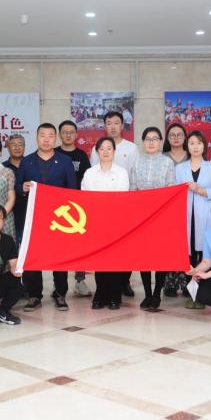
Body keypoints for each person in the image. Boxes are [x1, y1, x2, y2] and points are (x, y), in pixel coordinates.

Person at [17, 123, 77, 311]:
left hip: (59, 219)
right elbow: (17, 187)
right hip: (33, 219)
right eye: (42, 135)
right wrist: (22, 188)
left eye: (50, 136)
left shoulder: (65, 161)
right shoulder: (26, 162)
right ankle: (34, 295)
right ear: (36, 138)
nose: (46, 139)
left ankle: (60, 294)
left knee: (59, 257)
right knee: (33, 257)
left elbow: (73, 190)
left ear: (55, 138)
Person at [89, 111, 139, 297]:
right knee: (103, 252)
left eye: (116, 123)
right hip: (99, 211)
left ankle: (124, 282)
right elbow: (93, 177)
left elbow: (134, 175)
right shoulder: (97, 149)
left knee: (124, 248)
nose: (112, 126)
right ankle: (103, 290)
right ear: (104, 126)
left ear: (122, 125)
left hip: (124, 205)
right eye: (109, 123)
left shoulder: (131, 148)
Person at [175, 130, 211, 309]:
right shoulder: (180, 168)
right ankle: (191, 293)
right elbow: (175, 192)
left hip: (205, 217)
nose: (195, 147)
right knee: (189, 254)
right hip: (186, 217)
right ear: (187, 146)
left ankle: (203, 295)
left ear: (204, 146)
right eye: (192, 143)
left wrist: (200, 190)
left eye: (199, 143)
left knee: (205, 255)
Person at [82, 136, 130, 310]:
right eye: (102, 148)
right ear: (97, 152)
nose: (106, 152)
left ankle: (115, 296)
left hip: (116, 222)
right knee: (100, 260)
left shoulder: (121, 173)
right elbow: (85, 196)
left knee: (114, 260)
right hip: (96, 222)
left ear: (114, 151)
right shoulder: (89, 173)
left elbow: (122, 197)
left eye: (109, 148)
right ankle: (100, 295)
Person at [130, 127, 175, 309]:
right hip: (141, 217)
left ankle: (157, 294)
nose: (151, 142)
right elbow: (133, 189)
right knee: (144, 256)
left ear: (160, 142)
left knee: (159, 256)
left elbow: (171, 187)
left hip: (161, 216)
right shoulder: (137, 163)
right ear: (143, 142)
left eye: (155, 139)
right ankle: (147, 294)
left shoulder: (167, 162)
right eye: (147, 139)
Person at [55, 120, 93, 298]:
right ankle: (59, 284)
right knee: (59, 247)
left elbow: (87, 179)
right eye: (65, 132)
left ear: (76, 135)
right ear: (59, 135)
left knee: (80, 246)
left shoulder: (82, 155)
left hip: (79, 207)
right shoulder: (54, 154)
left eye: (71, 132)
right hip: (57, 207)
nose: (68, 135)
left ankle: (80, 281)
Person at [162, 123, 189, 296]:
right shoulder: (162, 157)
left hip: (189, 205)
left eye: (180, 134)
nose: (176, 137)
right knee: (169, 244)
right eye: (172, 135)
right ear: (167, 138)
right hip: (167, 208)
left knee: (187, 245)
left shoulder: (192, 154)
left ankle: (186, 281)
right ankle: (170, 282)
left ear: (185, 137)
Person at [3, 134, 27, 240]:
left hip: (28, 212)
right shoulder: (2, 168)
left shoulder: (32, 164)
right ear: (8, 148)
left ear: (24, 147)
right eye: (13, 145)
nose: (17, 148)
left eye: (20, 145)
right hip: (9, 213)